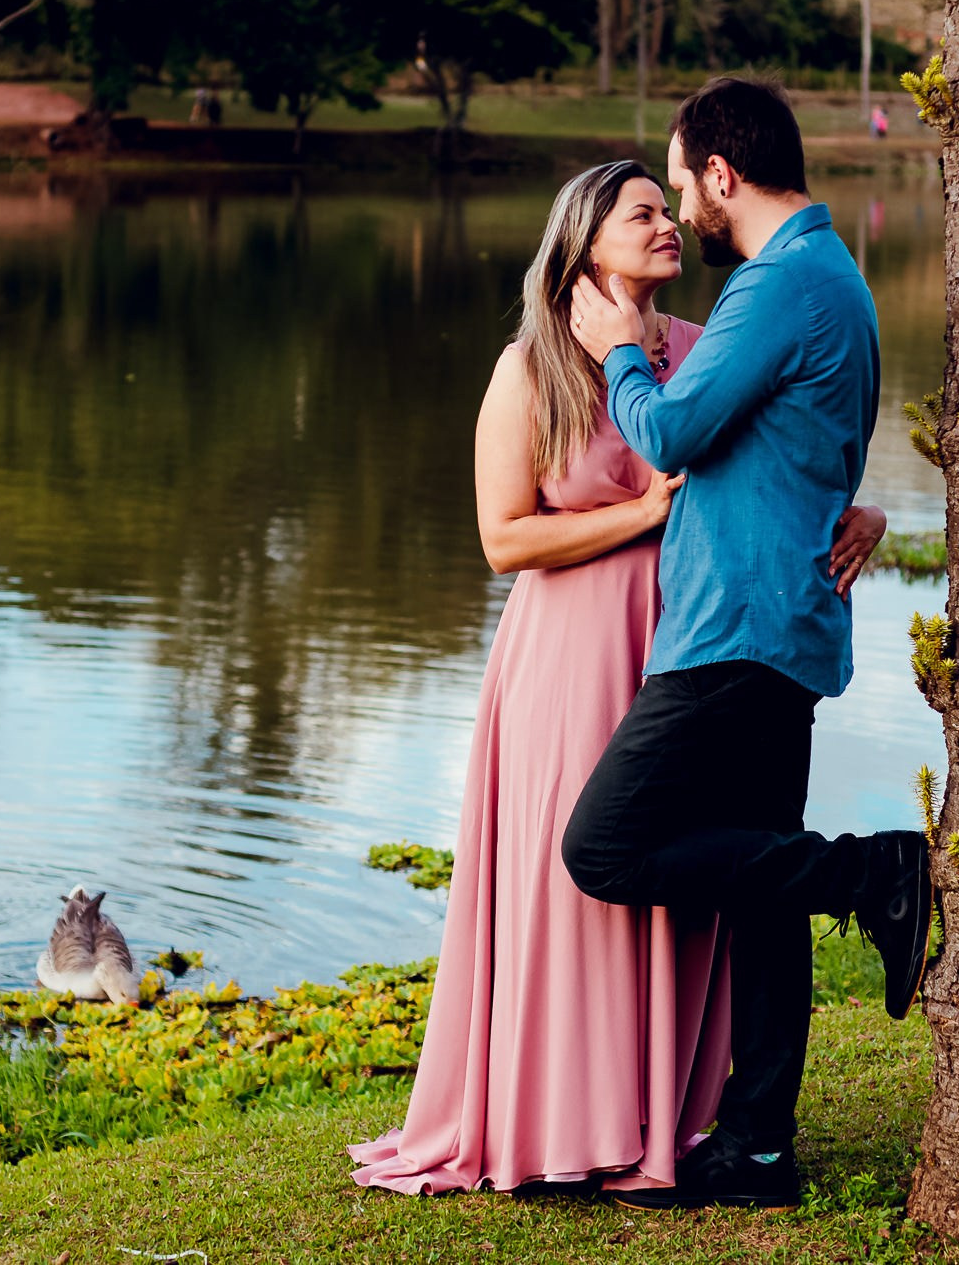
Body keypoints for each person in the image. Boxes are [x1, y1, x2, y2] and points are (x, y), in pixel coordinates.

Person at [346, 160, 889, 1196]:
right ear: (582, 239)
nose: (666, 224)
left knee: (702, 868)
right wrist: (641, 513)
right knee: (580, 869)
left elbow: (785, 460)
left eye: (666, 205)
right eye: (638, 212)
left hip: (694, 633)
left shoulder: (704, 345)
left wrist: (854, 509)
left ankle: (675, 1114)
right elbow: (503, 537)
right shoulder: (533, 365)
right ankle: (562, 1114)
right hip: (568, 650)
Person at [560, 77, 932, 1212]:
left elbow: (670, 430)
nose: (682, 203)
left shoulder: (779, 283)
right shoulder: (831, 278)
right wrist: (858, 507)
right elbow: (806, 446)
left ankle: (877, 869)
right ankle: (758, 1147)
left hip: (736, 628)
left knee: (603, 847)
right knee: (760, 891)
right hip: (778, 619)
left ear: (720, 173)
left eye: (682, 181)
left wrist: (621, 346)